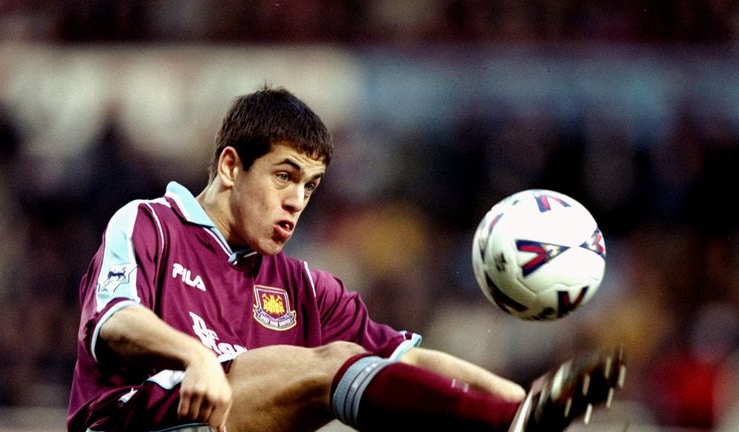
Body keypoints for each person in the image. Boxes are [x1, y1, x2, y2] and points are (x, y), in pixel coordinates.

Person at [67, 86, 619, 432]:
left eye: (310, 186)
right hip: (133, 422)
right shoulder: (151, 223)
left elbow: (407, 363)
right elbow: (115, 320)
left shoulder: (305, 286)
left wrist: (522, 399)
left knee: (352, 365)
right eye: (284, 176)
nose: (296, 201)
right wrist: (198, 359)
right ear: (232, 167)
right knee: (326, 363)